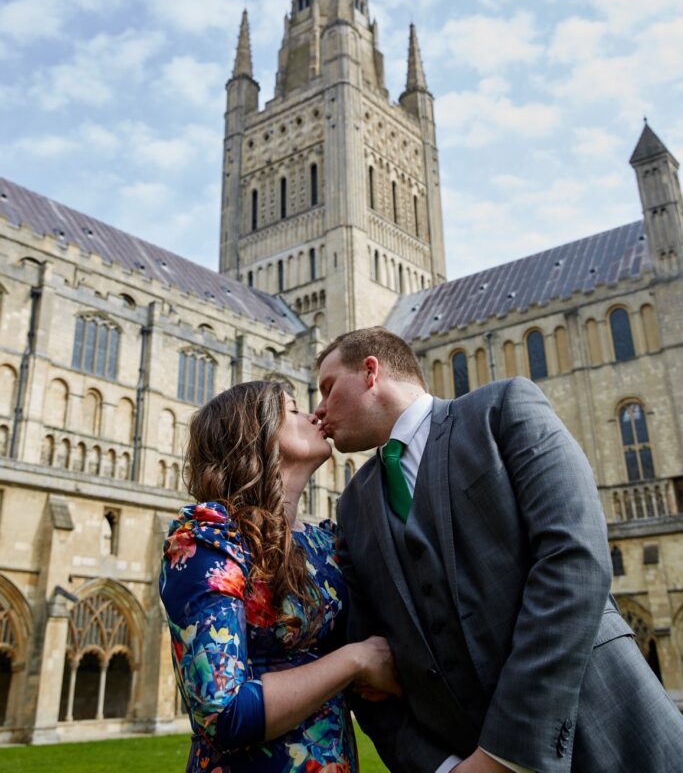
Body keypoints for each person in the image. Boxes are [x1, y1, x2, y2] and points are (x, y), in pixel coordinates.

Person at [315, 327, 683, 773]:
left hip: (611, 737)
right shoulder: (352, 505)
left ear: (371, 372)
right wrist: (442, 768)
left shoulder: (503, 409)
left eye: (328, 388)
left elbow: (575, 558)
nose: (318, 410)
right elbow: (367, 673)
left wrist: (505, 754)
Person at [159, 380, 400, 773]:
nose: (314, 414)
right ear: (256, 435)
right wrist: (356, 661)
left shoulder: (326, 542)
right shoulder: (207, 540)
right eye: (292, 409)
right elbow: (224, 713)